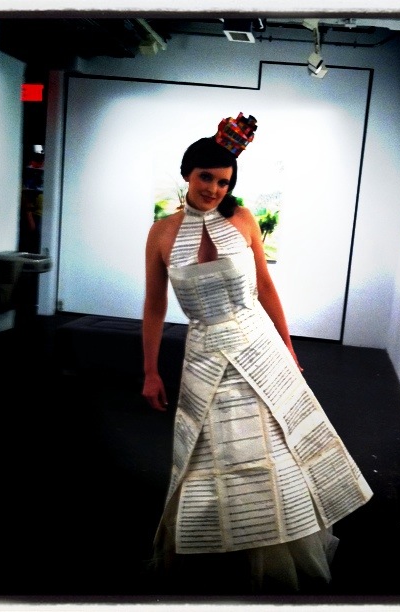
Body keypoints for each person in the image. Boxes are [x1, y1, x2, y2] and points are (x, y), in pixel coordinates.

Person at [142, 113, 373, 594]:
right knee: (210, 451)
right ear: (187, 173)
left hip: (257, 349)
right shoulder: (161, 233)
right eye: (206, 177)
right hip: (204, 354)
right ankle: (216, 546)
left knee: (273, 448)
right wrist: (150, 371)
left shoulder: (243, 221)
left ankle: (278, 543)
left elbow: (266, 287)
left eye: (223, 182)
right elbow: (155, 304)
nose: (213, 189)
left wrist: (288, 346)